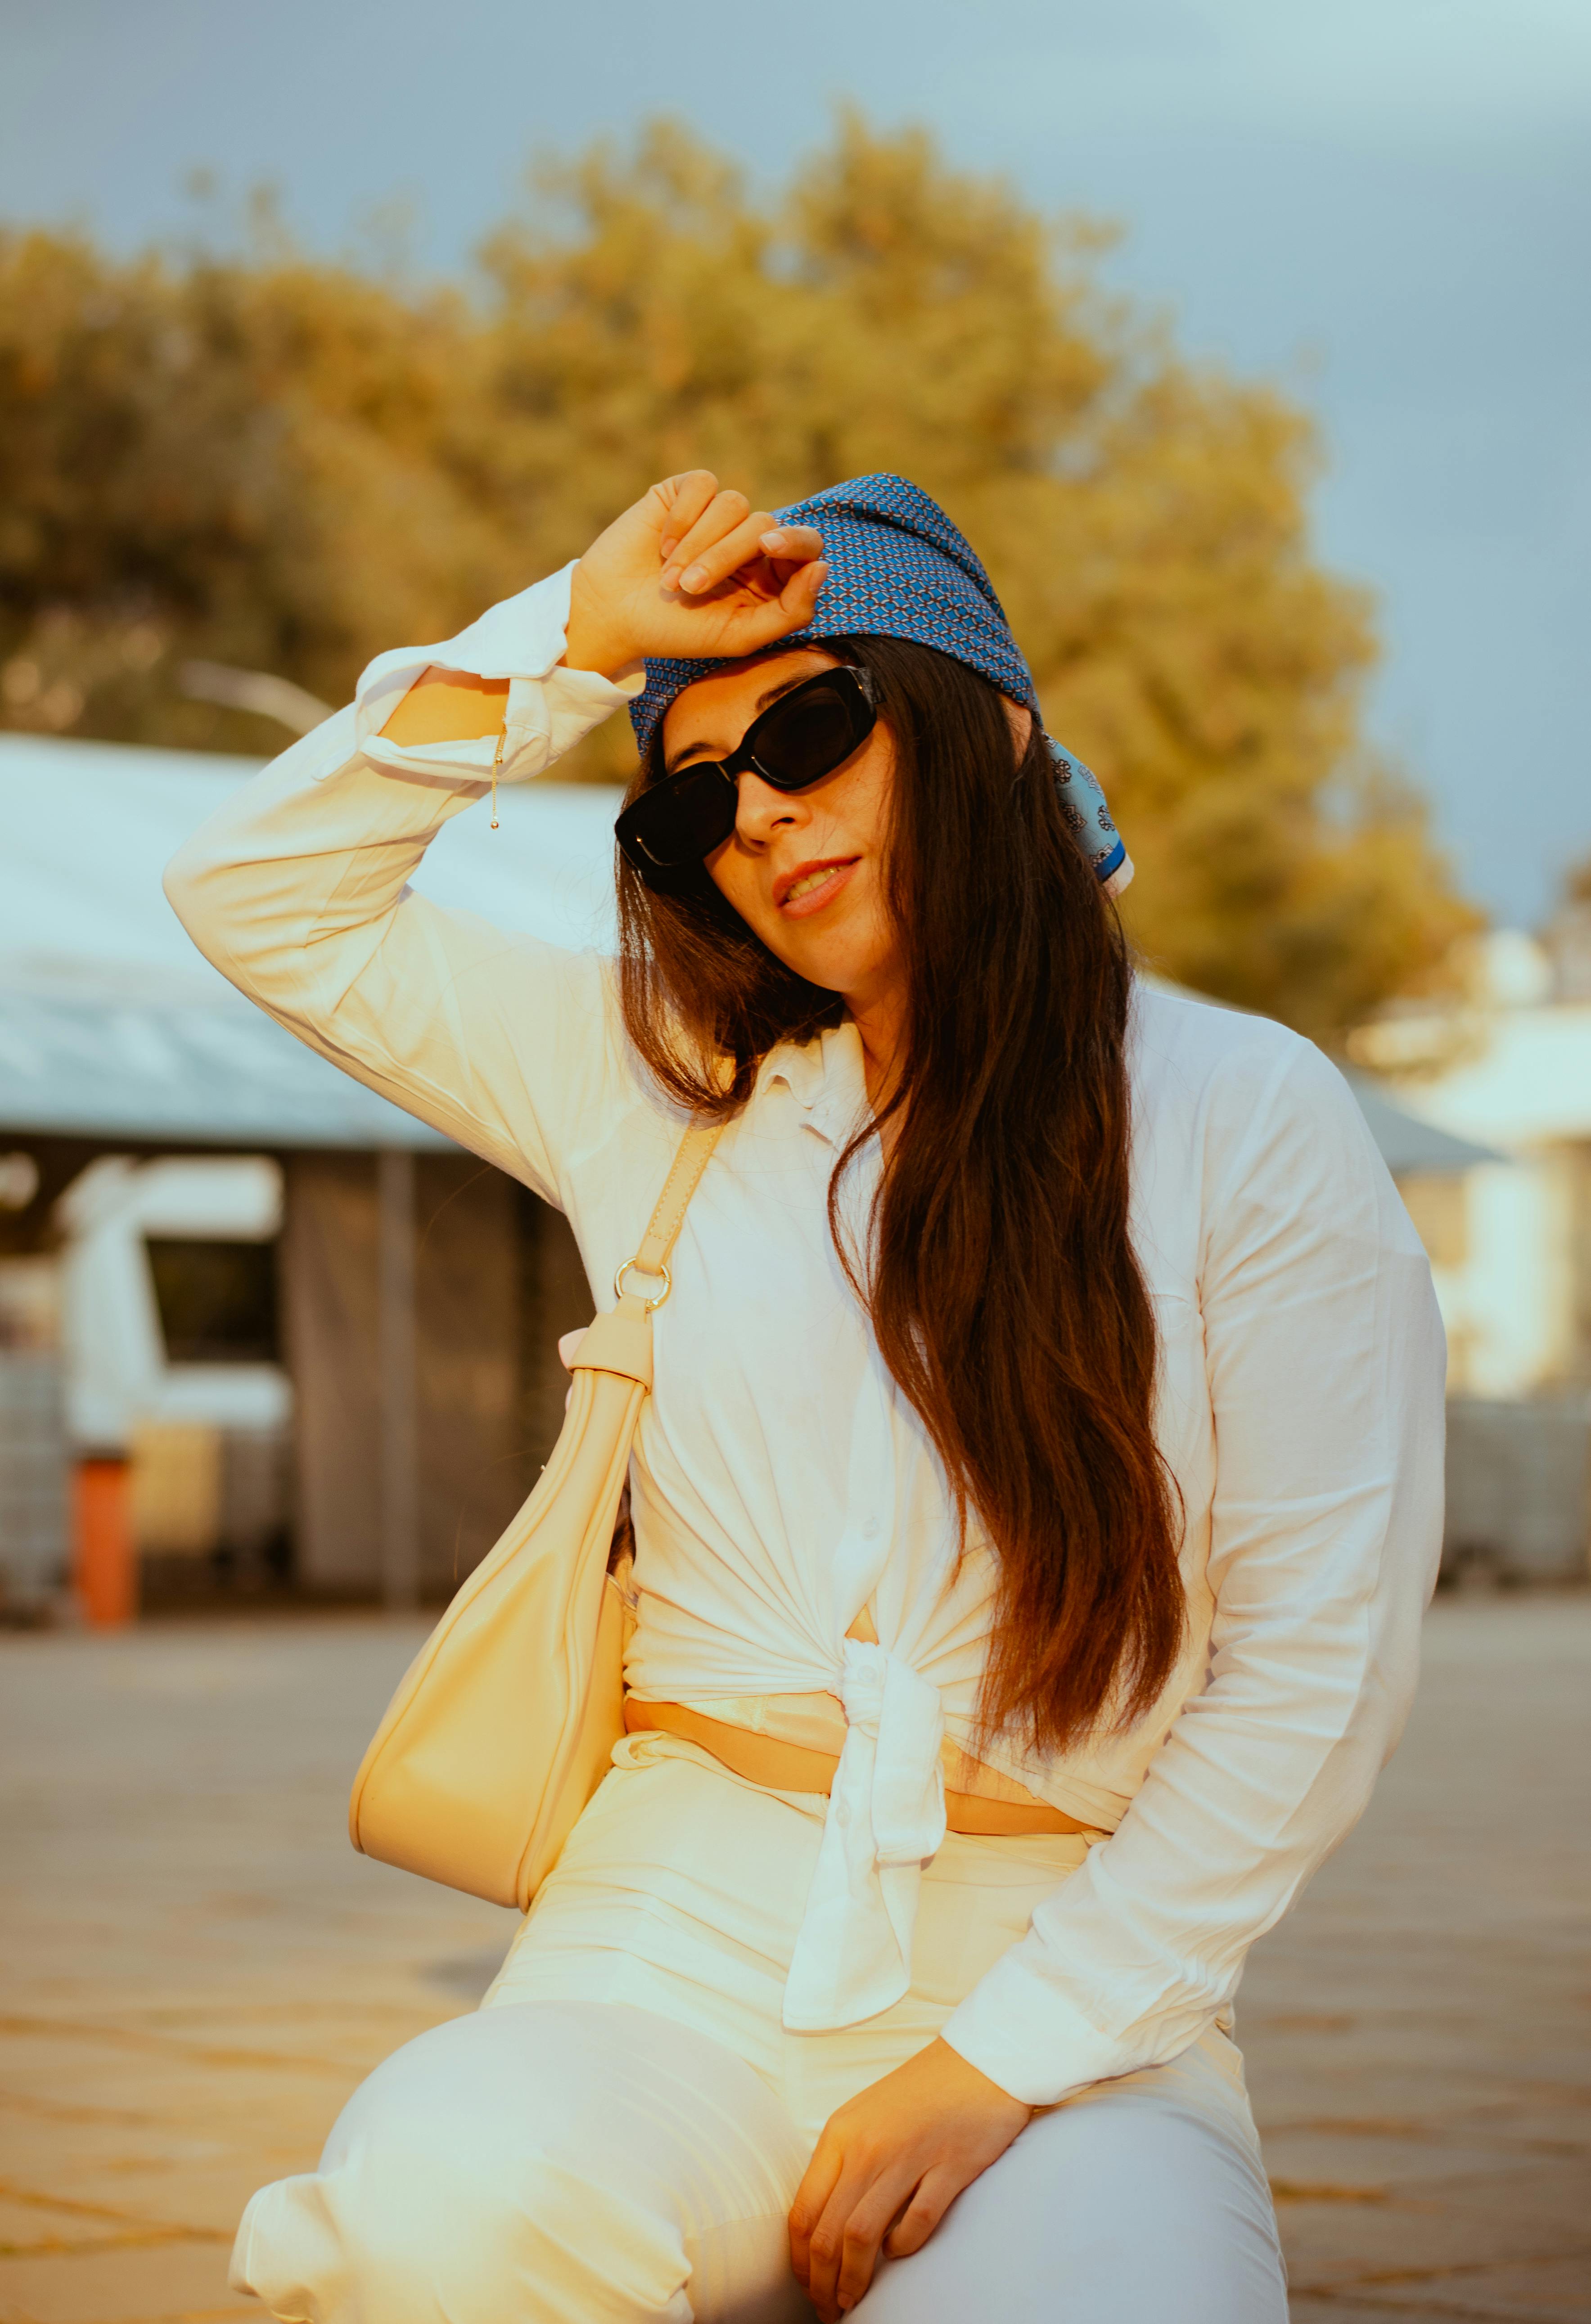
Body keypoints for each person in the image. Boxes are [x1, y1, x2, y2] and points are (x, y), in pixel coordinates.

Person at [165, 469, 1445, 2324]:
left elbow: (1313, 1663)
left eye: (812, 729)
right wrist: (575, 638)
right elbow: (255, 894)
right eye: (693, 798)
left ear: (991, 730)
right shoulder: (651, 1080)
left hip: (1070, 1981)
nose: (758, 810)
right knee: (436, 2218)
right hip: (659, 1948)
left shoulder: (1243, 1116)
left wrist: (993, 2063)